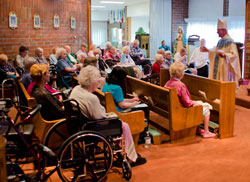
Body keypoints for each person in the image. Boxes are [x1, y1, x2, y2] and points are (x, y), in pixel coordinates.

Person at [69, 65, 146, 166]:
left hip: (80, 123)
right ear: (91, 82)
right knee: (123, 125)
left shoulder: (77, 89)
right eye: (97, 80)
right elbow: (102, 119)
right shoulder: (91, 98)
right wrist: (112, 116)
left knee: (118, 121)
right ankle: (130, 157)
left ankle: (127, 152)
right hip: (93, 126)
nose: (98, 82)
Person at [164, 62, 216, 138]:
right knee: (206, 108)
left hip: (173, 108)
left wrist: (196, 102)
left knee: (200, 103)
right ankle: (206, 132)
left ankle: (197, 129)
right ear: (181, 74)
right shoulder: (180, 85)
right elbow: (188, 103)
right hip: (181, 110)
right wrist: (195, 103)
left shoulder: (168, 83)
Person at [209, 19, 241, 88]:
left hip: (225, 69)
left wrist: (225, 55)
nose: (217, 32)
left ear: (224, 30)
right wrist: (208, 51)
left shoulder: (230, 41)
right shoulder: (219, 42)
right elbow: (215, 52)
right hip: (218, 69)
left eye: (218, 30)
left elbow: (234, 55)